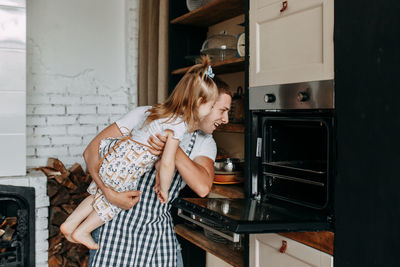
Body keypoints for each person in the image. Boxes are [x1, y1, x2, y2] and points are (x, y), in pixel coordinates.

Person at [60, 57, 219, 250]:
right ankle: (83, 230)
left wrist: (159, 178)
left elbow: (160, 162)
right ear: (199, 102)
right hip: (128, 168)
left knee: (99, 194)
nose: (211, 111)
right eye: (211, 106)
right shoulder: (179, 126)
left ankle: (69, 224)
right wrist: (165, 189)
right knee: (112, 203)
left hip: (114, 159)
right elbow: (167, 162)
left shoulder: (161, 112)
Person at [86, 79, 232, 266]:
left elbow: (203, 187)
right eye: (222, 110)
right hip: (114, 228)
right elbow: (91, 151)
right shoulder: (147, 115)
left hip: (157, 232)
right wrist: (109, 194)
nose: (226, 120)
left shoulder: (205, 141)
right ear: (202, 103)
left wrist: (172, 147)